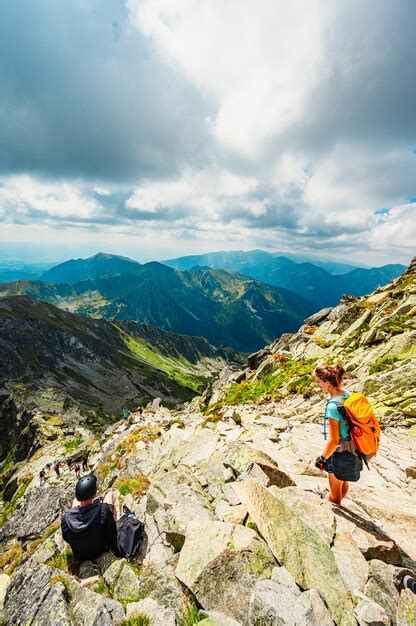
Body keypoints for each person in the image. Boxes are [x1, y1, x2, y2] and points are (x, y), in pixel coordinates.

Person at [314, 364, 355, 505]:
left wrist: (322, 458)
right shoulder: (347, 394)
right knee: (343, 481)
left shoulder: (332, 406)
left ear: (326, 382)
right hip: (354, 446)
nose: (318, 384)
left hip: (341, 450)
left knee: (335, 494)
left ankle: (331, 509)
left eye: (318, 381)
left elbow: (334, 440)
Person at [61, 474, 119, 562]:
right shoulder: (103, 510)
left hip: (80, 556)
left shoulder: (66, 519)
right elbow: (112, 533)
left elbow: (66, 538)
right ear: (93, 493)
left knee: (74, 502)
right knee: (109, 495)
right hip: (99, 550)